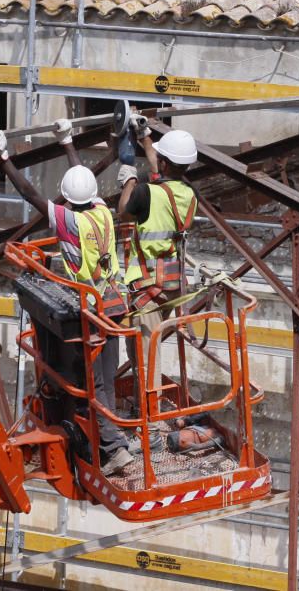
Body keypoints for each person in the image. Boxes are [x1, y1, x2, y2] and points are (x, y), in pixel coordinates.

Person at [0, 121, 134, 476]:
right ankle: (113, 439)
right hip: (113, 305)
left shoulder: (67, 222)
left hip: (88, 311)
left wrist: (3, 157)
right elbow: (83, 183)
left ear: (68, 198)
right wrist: (67, 141)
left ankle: (114, 449)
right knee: (106, 377)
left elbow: (29, 193)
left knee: (93, 384)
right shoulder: (103, 213)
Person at [116, 124, 198, 433]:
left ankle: (150, 423)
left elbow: (124, 211)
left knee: (146, 353)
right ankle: (146, 407)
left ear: (165, 163)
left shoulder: (146, 192)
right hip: (172, 285)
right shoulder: (188, 193)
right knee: (144, 348)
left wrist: (129, 179)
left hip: (145, 284)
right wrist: (145, 137)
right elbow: (163, 172)